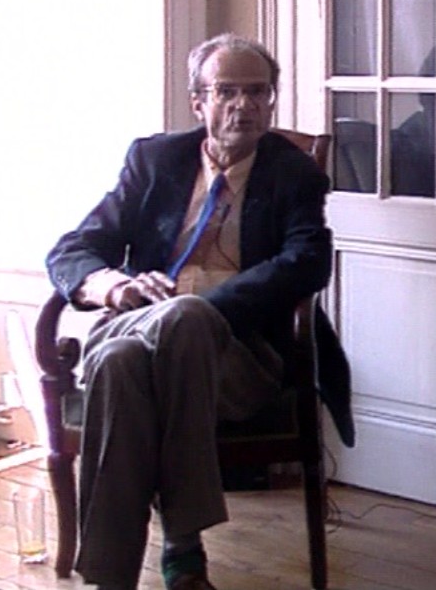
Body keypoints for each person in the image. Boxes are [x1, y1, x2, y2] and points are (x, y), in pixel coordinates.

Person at [46, 33, 353, 590]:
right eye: (226, 91)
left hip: (240, 356)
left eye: (257, 92)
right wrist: (114, 287)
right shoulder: (155, 161)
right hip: (138, 325)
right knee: (144, 343)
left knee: (142, 348)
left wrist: (200, 309)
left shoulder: (294, 174)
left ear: (271, 100)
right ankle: (178, 558)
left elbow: (307, 262)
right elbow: (73, 249)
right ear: (198, 103)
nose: (244, 105)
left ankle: (121, 574)